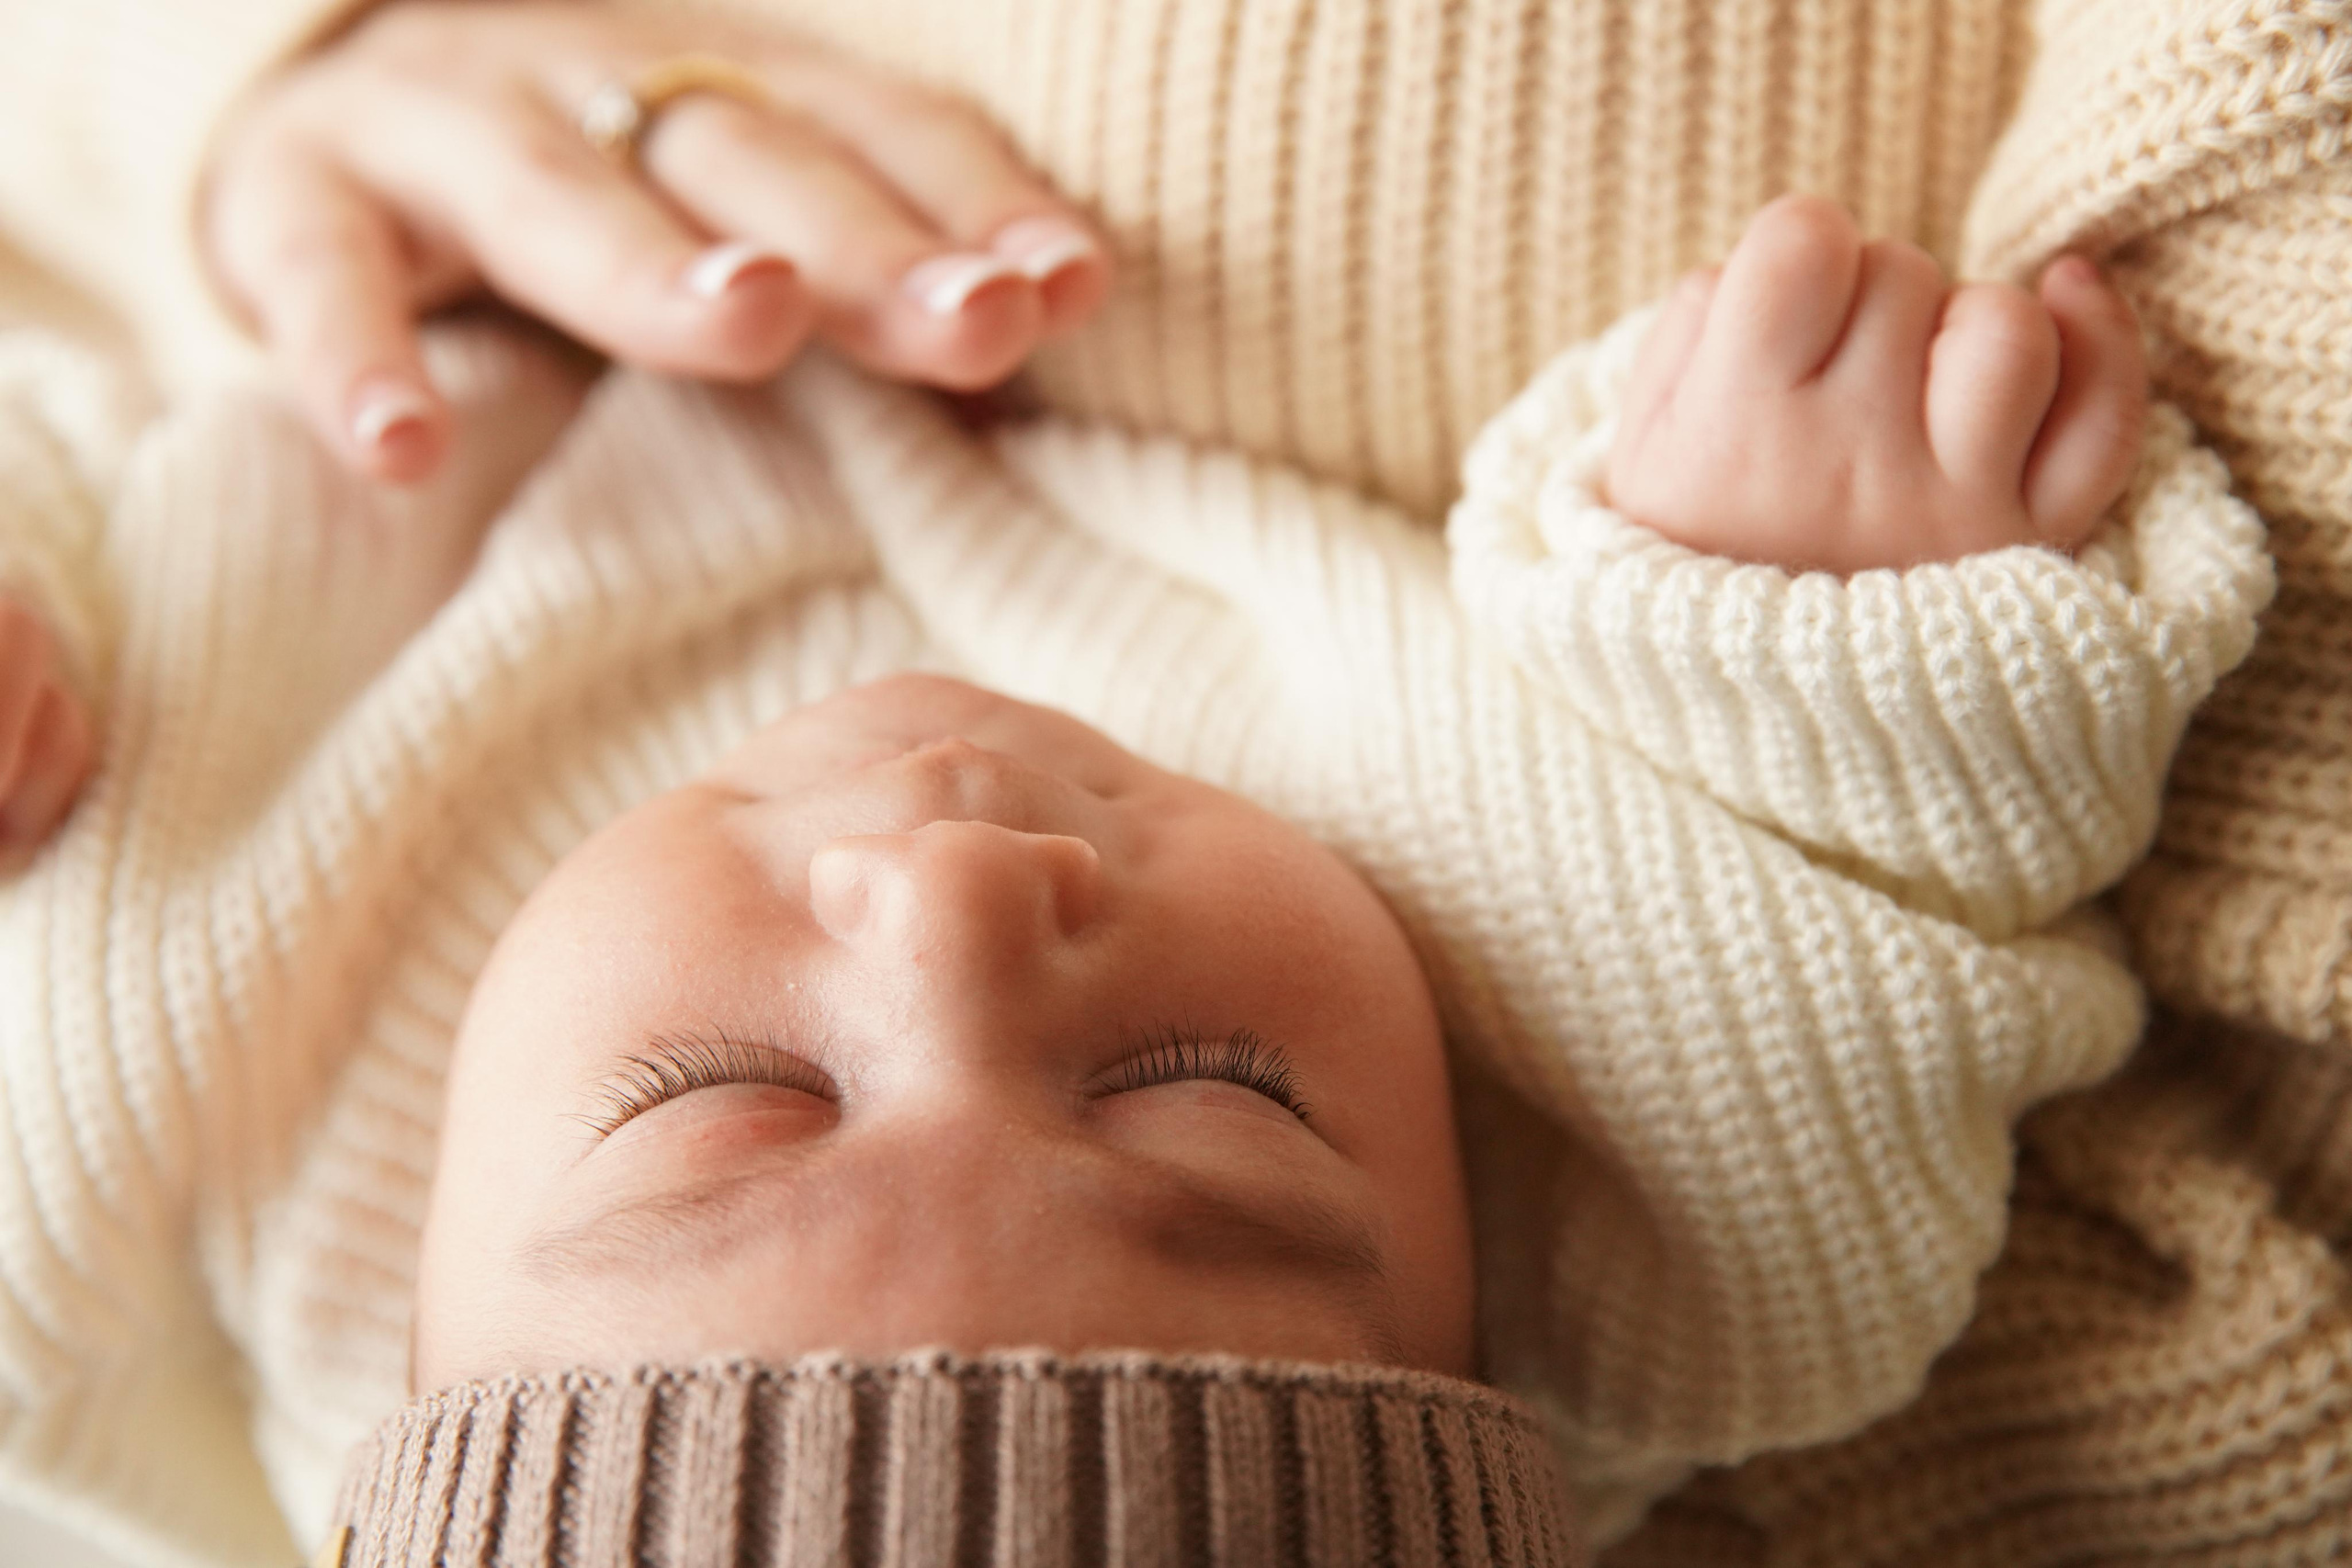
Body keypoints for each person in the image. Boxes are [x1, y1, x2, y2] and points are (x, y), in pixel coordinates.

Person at [0, 4, 2278, 1566]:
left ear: (401, 1311)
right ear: (1502, 1349)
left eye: (725, 1097)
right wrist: (1804, 601)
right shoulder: (1666, 1200)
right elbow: (1870, 901)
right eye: (1203, 1093)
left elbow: (56, 360)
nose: (963, 899)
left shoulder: (120, 1083)